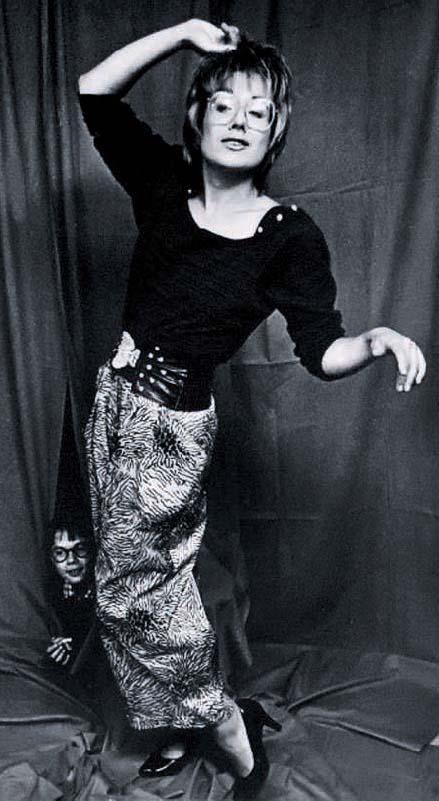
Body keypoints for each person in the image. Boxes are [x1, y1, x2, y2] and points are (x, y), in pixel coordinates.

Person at [78, 18, 426, 798]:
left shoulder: (287, 237)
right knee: (135, 586)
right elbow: (94, 91)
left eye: (258, 111)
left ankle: (227, 728)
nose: (239, 121)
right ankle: (185, 716)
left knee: (132, 593)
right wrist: (181, 36)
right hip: (112, 406)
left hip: (169, 431)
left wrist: (372, 339)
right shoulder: (161, 183)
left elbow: (321, 353)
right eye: (224, 105)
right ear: (197, 116)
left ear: (275, 133)